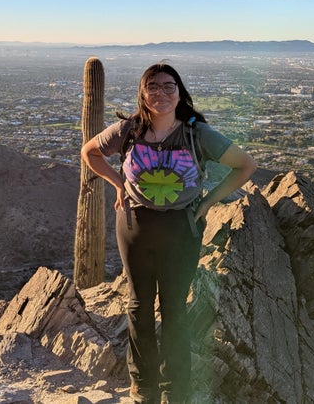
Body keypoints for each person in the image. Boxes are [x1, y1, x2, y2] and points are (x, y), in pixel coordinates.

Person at [81, 62, 256, 404]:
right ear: (142, 93)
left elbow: (245, 165)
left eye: (168, 86)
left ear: (179, 93)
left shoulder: (197, 134)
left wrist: (208, 202)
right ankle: (143, 386)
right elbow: (90, 152)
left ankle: (176, 389)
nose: (160, 92)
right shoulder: (127, 130)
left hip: (181, 227)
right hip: (135, 225)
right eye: (152, 86)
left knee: (174, 308)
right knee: (139, 306)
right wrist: (118, 184)